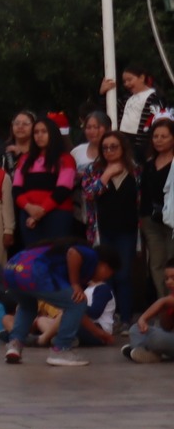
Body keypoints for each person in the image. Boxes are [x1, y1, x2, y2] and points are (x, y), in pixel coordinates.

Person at [2, 238, 99, 368]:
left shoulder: (49, 248)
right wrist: (75, 284)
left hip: (10, 270)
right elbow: (73, 252)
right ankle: (61, 349)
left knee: (27, 306)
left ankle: (14, 345)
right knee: (77, 302)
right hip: (32, 272)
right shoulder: (91, 254)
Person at [80, 130, 141, 324]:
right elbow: (88, 194)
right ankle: (108, 318)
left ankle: (125, 318)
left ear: (123, 148)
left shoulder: (135, 170)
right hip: (102, 230)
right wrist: (106, 175)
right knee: (104, 275)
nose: (109, 151)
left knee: (123, 274)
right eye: (105, 148)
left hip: (128, 231)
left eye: (113, 147)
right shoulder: (93, 170)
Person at [11, 116, 78, 247]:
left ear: (52, 134)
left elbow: (63, 189)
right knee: (32, 255)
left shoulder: (65, 159)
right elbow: (16, 189)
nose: (39, 136)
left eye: (44, 132)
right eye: (36, 132)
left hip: (57, 215)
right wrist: (29, 208)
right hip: (28, 214)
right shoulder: (25, 159)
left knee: (55, 256)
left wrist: (40, 212)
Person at [140, 115, 174, 301]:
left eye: (164, 136)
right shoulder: (148, 164)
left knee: (172, 262)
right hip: (151, 221)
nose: (159, 140)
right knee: (156, 264)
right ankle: (164, 305)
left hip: (172, 220)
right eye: (156, 136)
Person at [103, 68, 164, 164]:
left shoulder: (153, 97)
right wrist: (103, 93)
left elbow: (156, 119)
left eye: (130, 79)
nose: (127, 84)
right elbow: (110, 108)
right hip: (123, 138)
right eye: (124, 81)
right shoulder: (127, 98)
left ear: (142, 78)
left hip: (140, 141)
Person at [123, 257, 174, 362]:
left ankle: (141, 348)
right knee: (136, 328)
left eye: (173, 278)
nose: (169, 282)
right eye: (166, 278)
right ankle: (146, 353)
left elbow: (163, 301)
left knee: (156, 338)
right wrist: (164, 312)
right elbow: (167, 327)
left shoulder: (168, 299)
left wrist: (143, 318)